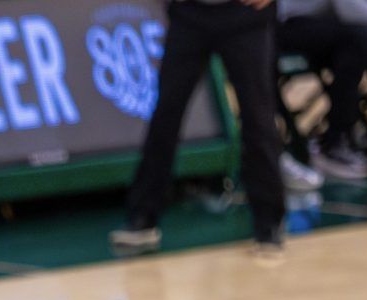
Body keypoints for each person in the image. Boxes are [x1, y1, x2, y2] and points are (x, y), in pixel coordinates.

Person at [111, 0, 287, 258]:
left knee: (257, 118)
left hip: (245, 14)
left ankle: (269, 224)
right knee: (166, 114)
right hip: (191, 13)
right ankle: (143, 217)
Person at [279, 0, 367, 179]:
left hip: (330, 25)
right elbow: (347, 7)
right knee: (359, 40)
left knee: (360, 40)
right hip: (283, 24)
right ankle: (335, 142)